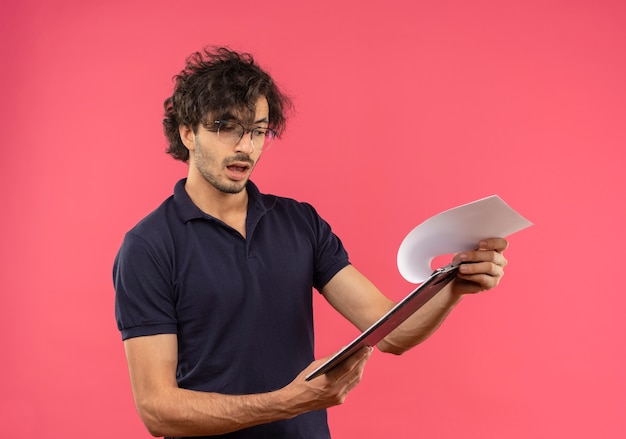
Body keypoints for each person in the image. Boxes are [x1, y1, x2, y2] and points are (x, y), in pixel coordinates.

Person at [113, 46, 509, 439]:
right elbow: (158, 411)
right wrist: (287, 402)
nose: (245, 147)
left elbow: (391, 332)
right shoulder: (149, 246)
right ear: (188, 132)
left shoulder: (300, 223)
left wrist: (454, 282)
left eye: (257, 130)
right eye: (226, 127)